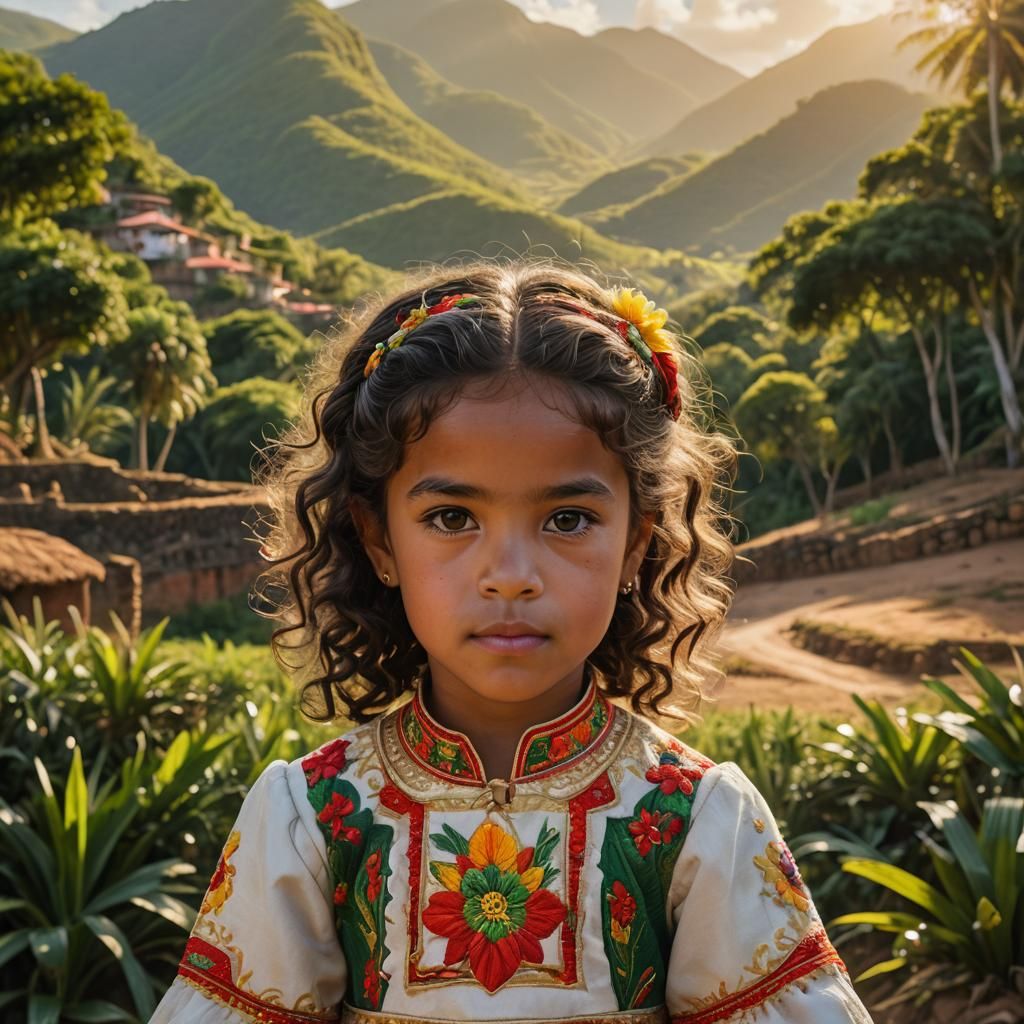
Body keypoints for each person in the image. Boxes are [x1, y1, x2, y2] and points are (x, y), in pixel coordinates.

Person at [150, 261, 873, 1024]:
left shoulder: (699, 824)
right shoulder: (314, 821)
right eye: (452, 518)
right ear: (378, 539)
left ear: (637, 543)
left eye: (567, 519)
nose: (510, 576)